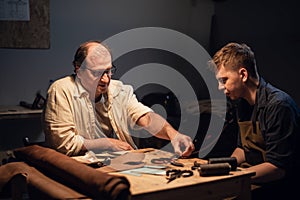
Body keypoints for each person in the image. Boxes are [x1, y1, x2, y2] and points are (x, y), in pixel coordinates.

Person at [43, 40, 194, 157]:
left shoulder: (119, 90)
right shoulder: (61, 90)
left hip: (115, 163)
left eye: (108, 71)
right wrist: (106, 144)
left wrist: (173, 134)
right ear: (78, 69)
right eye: (96, 73)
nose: (105, 80)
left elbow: (147, 118)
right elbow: (64, 144)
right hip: (77, 165)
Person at [209, 42, 300, 198]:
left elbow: (277, 168)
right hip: (252, 179)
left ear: (243, 75)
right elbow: (243, 149)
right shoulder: (242, 104)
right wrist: (222, 166)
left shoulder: (279, 106)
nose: (219, 87)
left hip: (278, 189)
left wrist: (232, 177)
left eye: (224, 80)